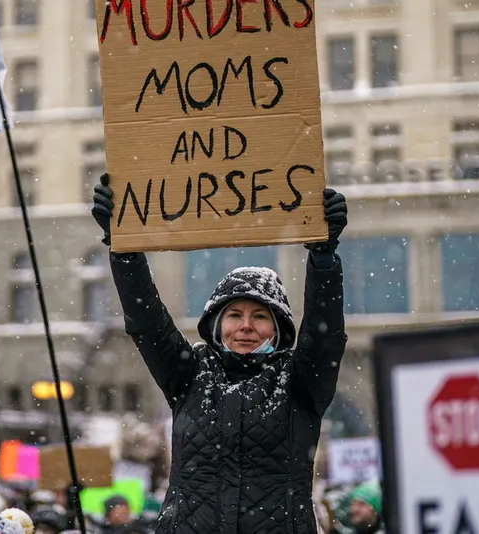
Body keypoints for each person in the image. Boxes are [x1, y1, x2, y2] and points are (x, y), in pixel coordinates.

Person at [91, 175, 348, 534]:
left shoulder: (300, 382)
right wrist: (124, 248)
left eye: (260, 316)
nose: (246, 326)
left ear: (279, 329)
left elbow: (325, 334)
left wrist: (323, 258)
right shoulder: (189, 374)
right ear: (217, 324)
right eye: (234, 315)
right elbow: (147, 322)